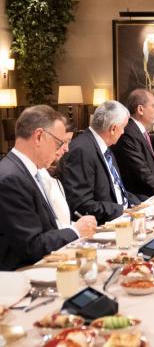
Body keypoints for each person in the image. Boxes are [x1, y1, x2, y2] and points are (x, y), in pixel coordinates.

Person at [0, 106, 96, 270]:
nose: (64, 149)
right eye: (59, 143)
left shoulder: (27, 171)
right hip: (22, 275)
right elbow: (32, 245)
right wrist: (75, 230)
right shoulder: (12, 178)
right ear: (38, 136)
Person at [59, 101, 140, 225]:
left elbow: (116, 188)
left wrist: (136, 204)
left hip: (121, 213)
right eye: (123, 128)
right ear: (113, 129)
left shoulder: (104, 146)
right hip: (105, 224)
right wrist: (123, 210)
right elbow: (81, 205)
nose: (123, 132)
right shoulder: (81, 151)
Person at [112, 89, 154, 201]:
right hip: (142, 197)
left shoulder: (139, 131)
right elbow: (141, 172)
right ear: (140, 109)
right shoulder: (127, 133)